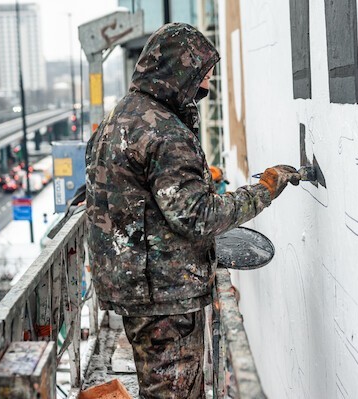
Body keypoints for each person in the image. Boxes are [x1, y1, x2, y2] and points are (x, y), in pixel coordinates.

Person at [86, 23, 299, 398]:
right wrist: (264, 190)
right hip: (164, 295)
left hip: (135, 286)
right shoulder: (165, 132)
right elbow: (198, 216)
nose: (207, 84)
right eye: (202, 74)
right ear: (178, 72)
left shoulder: (119, 117)